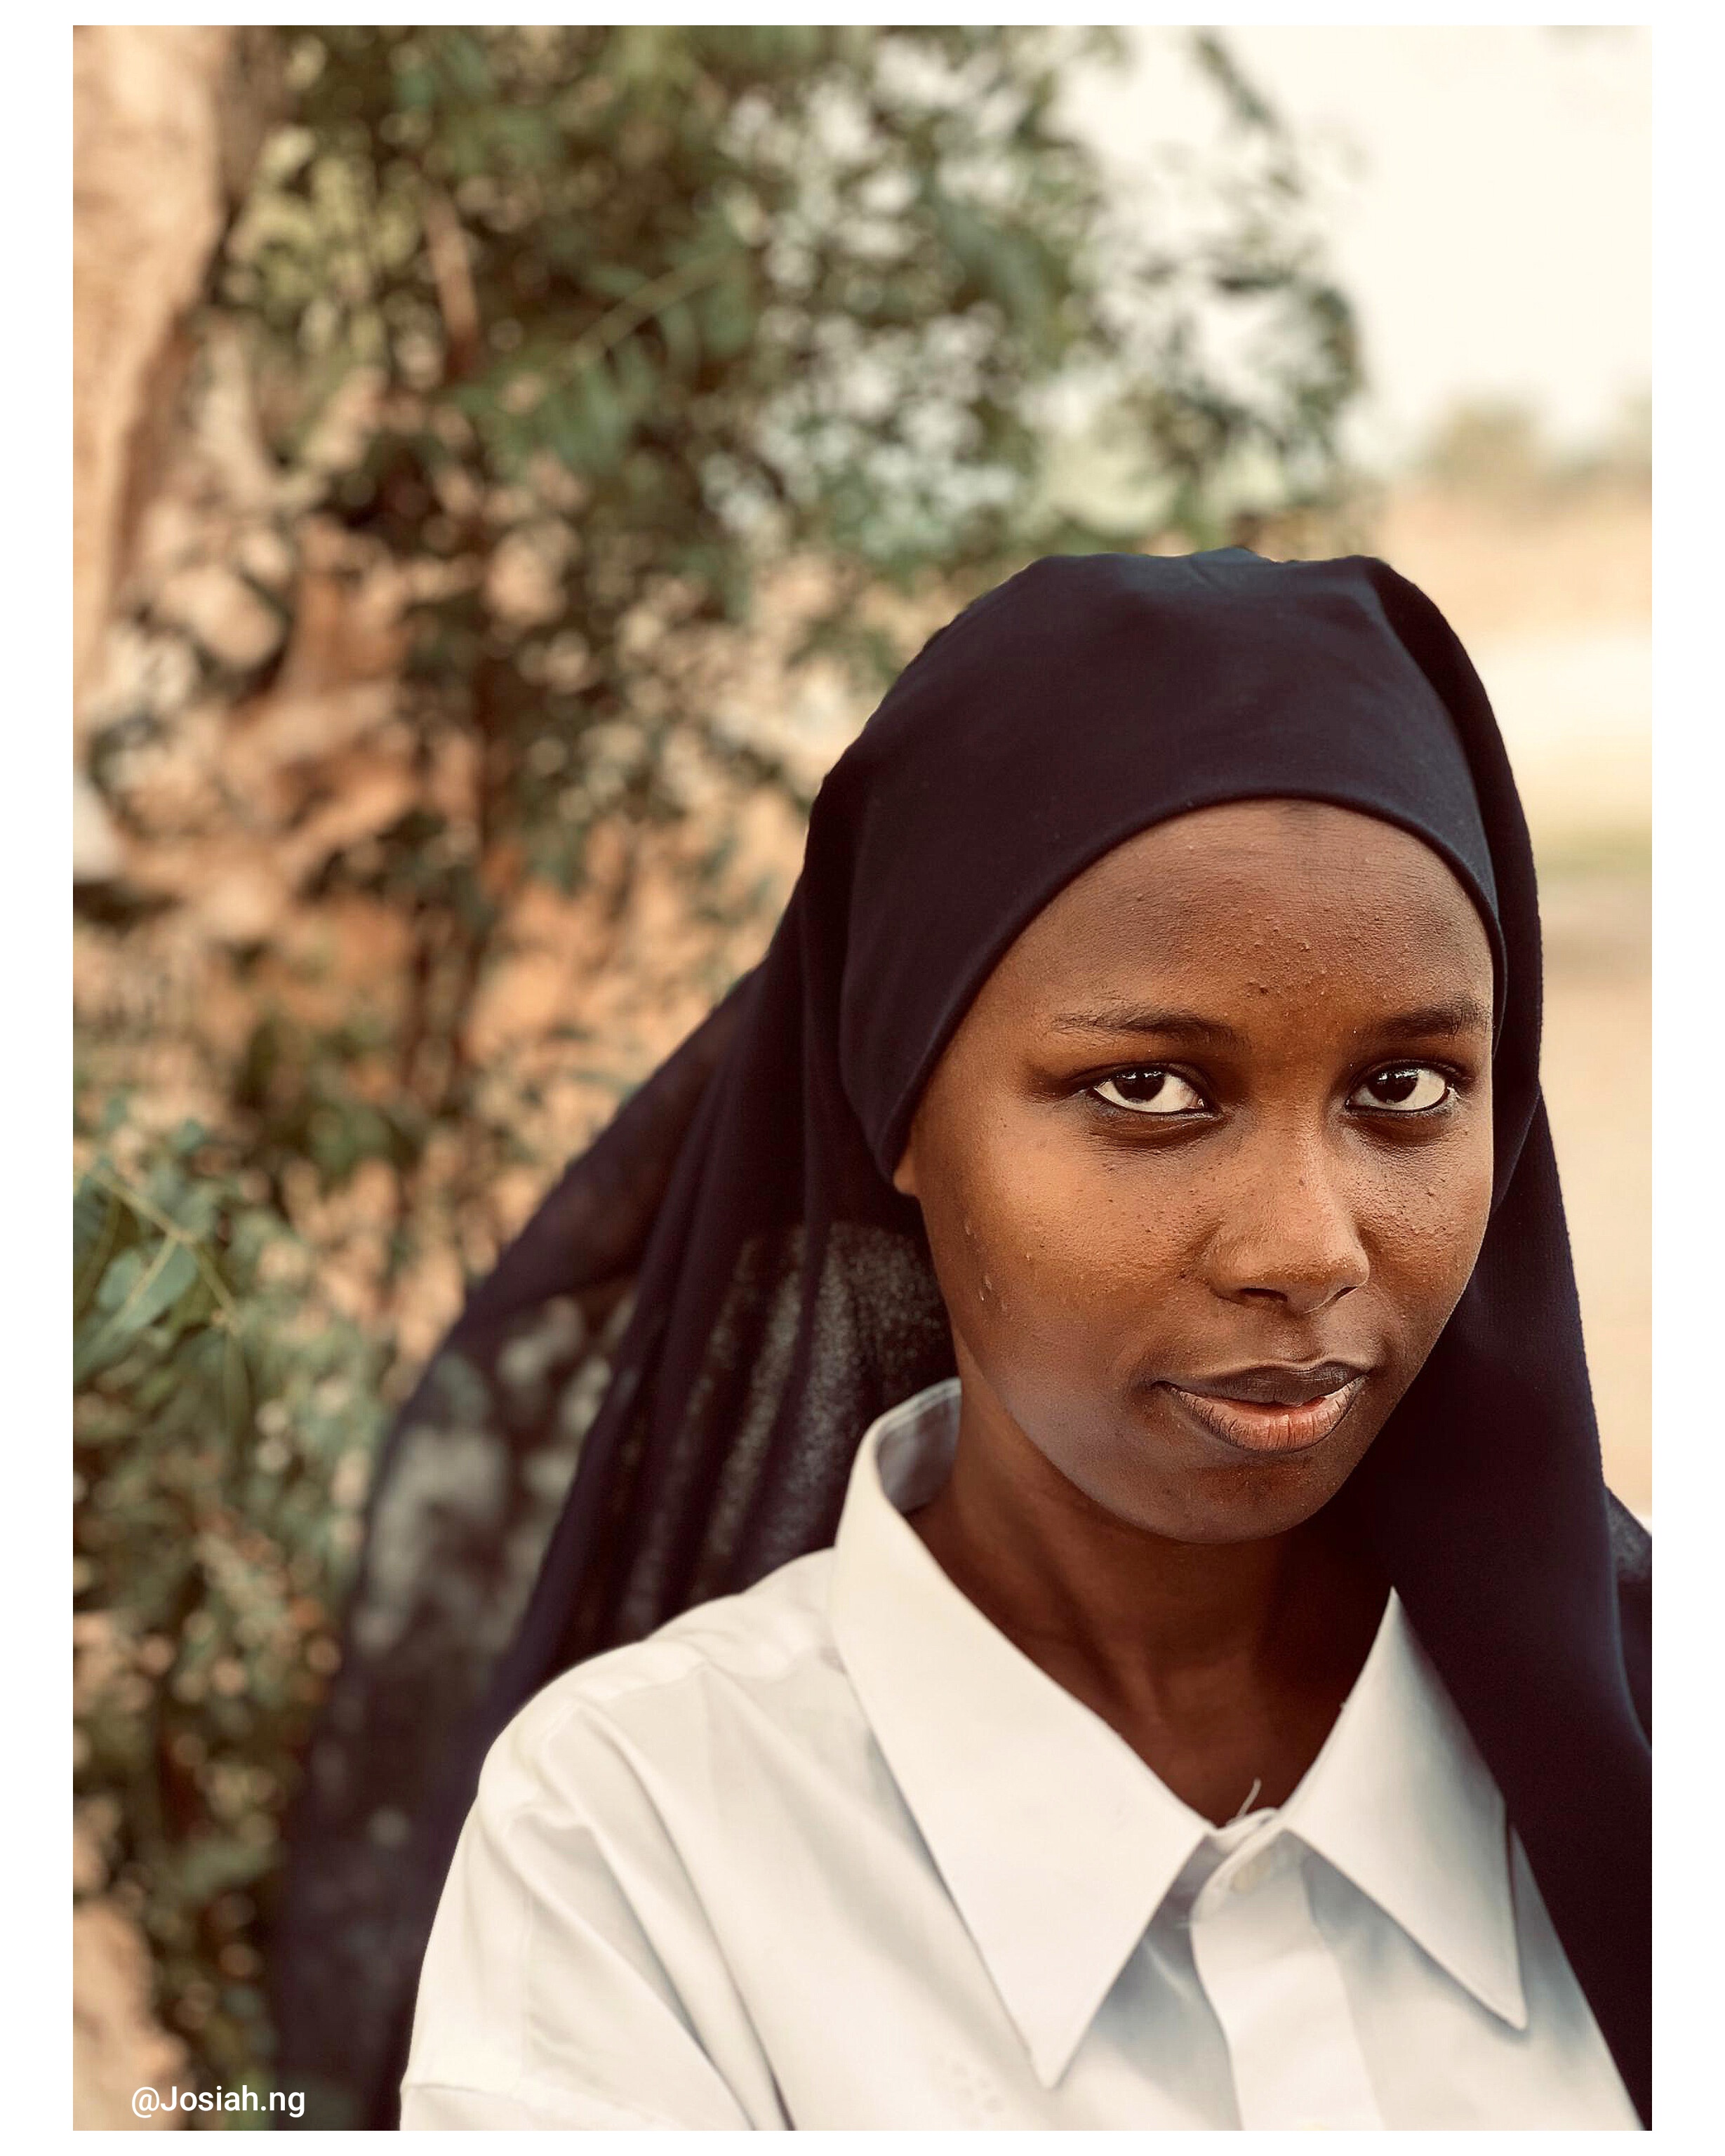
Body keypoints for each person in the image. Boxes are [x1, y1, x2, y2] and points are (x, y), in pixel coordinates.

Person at [274, 550, 1650, 2129]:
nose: (1304, 1249)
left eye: (1403, 1089)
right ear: (901, 1105)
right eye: (1147, 1090)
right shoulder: (636, 1854)